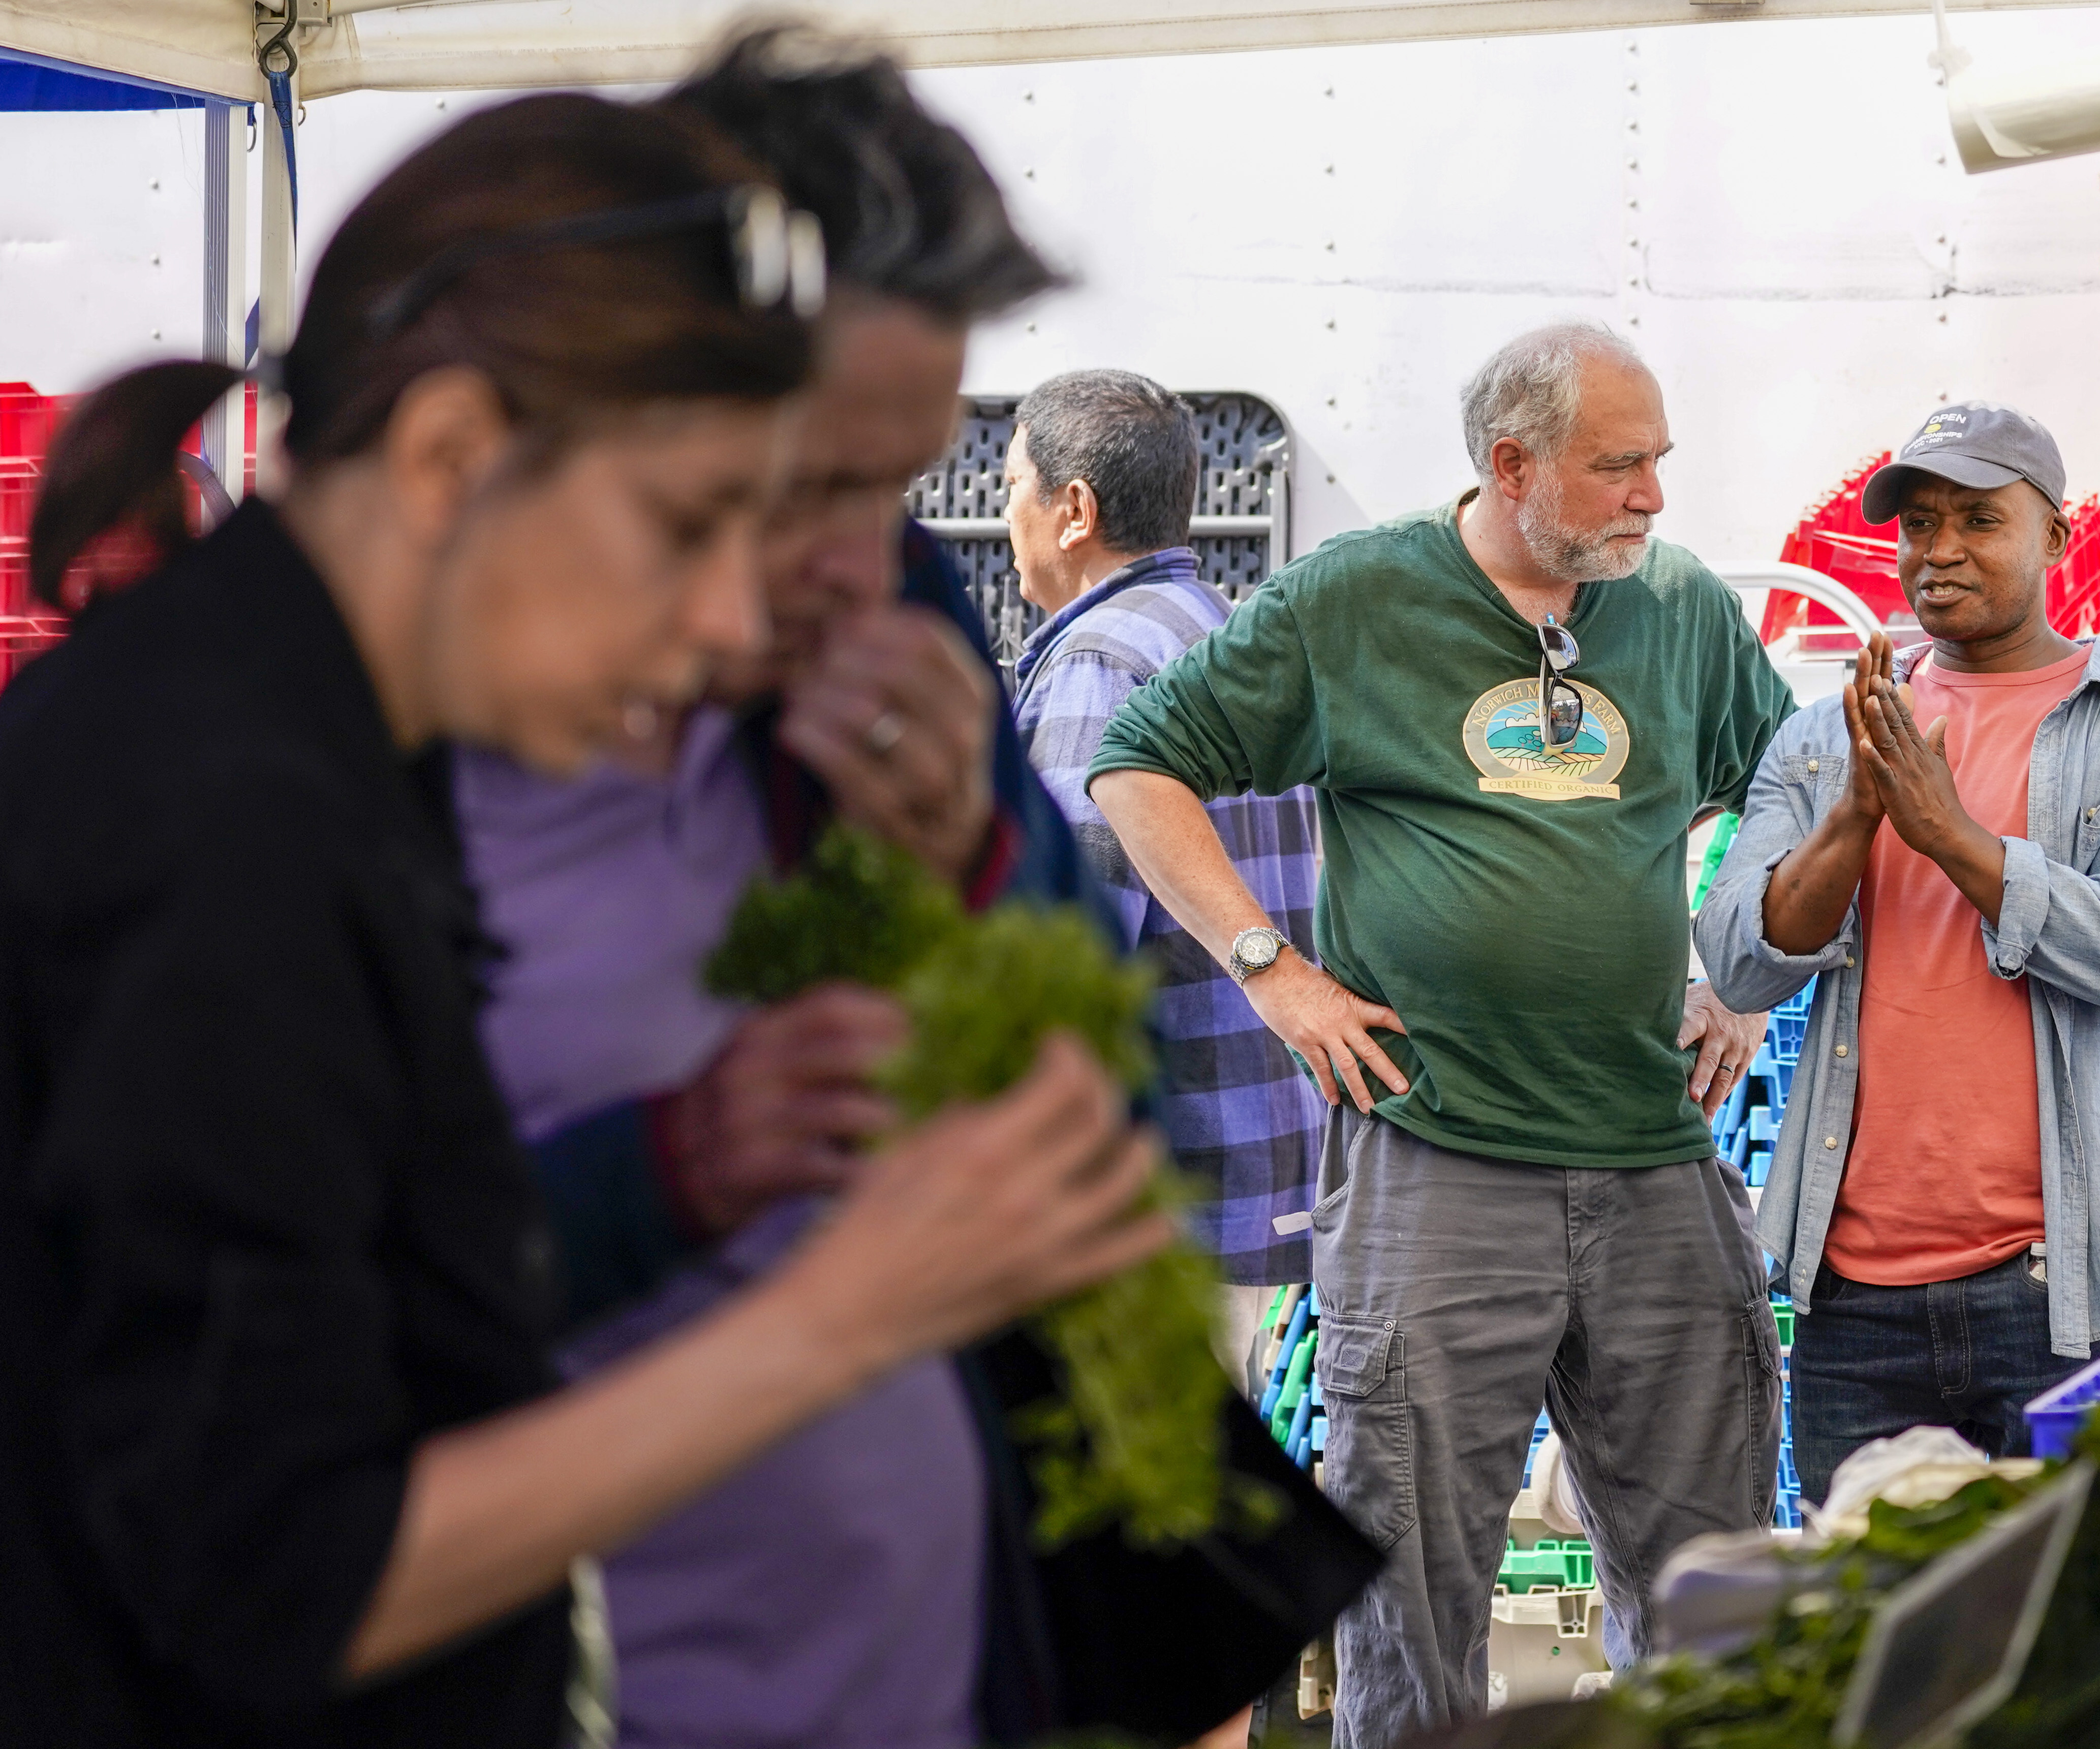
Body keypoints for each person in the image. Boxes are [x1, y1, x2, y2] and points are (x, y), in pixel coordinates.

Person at [0, 94, 1169, 1747]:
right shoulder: (224, 815)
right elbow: (275, 1571)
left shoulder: (289, 750)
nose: (726, 613)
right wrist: (846, 1308)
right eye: (692, 525)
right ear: (451, 458)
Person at [457, 38, 1378, 1749]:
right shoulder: (394, 713)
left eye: (887, 481)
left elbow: (1028, 980)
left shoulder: (926, 626)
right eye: (803, 473)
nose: (847, 550)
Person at [1090, 320, 1795, 1748]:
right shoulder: (1353, 601)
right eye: (1618, 467)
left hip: (1655, 1161)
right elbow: (1136, 766)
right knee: (1409, 1595)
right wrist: (1268, 968)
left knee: (1711, 1584)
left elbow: (1780, 787)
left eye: (1659, 461)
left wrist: (1740, 972)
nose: (1654, 496)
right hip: (1435, 1168)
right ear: (1510, 463)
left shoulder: (1678, 609)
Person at [1692, 402, 2100, 1502]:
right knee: (1868, 1641)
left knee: (2076, 1627)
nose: (1937, 551)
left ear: (2052, 538)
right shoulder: (1825, 731)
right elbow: (1743, 961)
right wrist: (1851, 815)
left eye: (1977, 520)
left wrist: (1948, 833)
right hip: (1855, 1301)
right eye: (1917, 524)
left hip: (2066, 1293)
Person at [1004, 369, 1324, 1299]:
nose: (1005, 510)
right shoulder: (1220, 630)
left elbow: (1069, 952)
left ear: (1074, 510)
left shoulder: (1099, 662)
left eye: (1014, 484)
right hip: (1263, 1174)